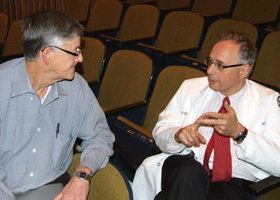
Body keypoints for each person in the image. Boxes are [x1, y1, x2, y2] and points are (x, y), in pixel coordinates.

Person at [132, 31, 280, 200]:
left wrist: (240, 134)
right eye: (210, 62)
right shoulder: (190, 87)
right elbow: (160, 131)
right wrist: (178, 135)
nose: (210, 71)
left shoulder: (269, 101)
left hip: (233, 184)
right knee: (190, 172)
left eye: (220, 65)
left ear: (244, 70)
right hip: (185, 166)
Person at [0, 10, 115, 200]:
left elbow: (101, 136)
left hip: (52, 189)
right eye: (75, 52)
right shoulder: (3, 88)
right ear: (48, 55)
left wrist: (82, 175)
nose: (81, 59)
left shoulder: (76, 88)